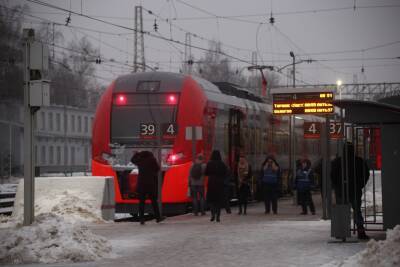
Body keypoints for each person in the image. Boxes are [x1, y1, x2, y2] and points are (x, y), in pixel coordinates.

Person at [331, 142, 370, 240]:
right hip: (355, 190)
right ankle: (361, 231)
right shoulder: (359, 161)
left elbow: (332, 175)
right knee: (357, 211)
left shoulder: (337, 161)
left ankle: (341, 232)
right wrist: (360, 184)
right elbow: (366, 174)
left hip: (341, 191)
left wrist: (337, 186)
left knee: (342, 210)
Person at [131, 151, 165, 225]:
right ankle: (158, 218)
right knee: (154, 201)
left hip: (141, 184)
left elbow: (132, 160)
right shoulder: (152, 160)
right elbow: (157, 169)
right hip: (150, 184)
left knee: (141, 202)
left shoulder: (140, 160)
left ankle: (141, 219)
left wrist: (137, 154)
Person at [205, 150, 227, 222]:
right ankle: (218, 216)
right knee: (218, 200)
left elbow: (206, 173)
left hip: (211, 182)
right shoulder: (222, 164)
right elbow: (225, 173)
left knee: (211, 200)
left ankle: (212, 214)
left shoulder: (209, 163)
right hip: (219, 183)